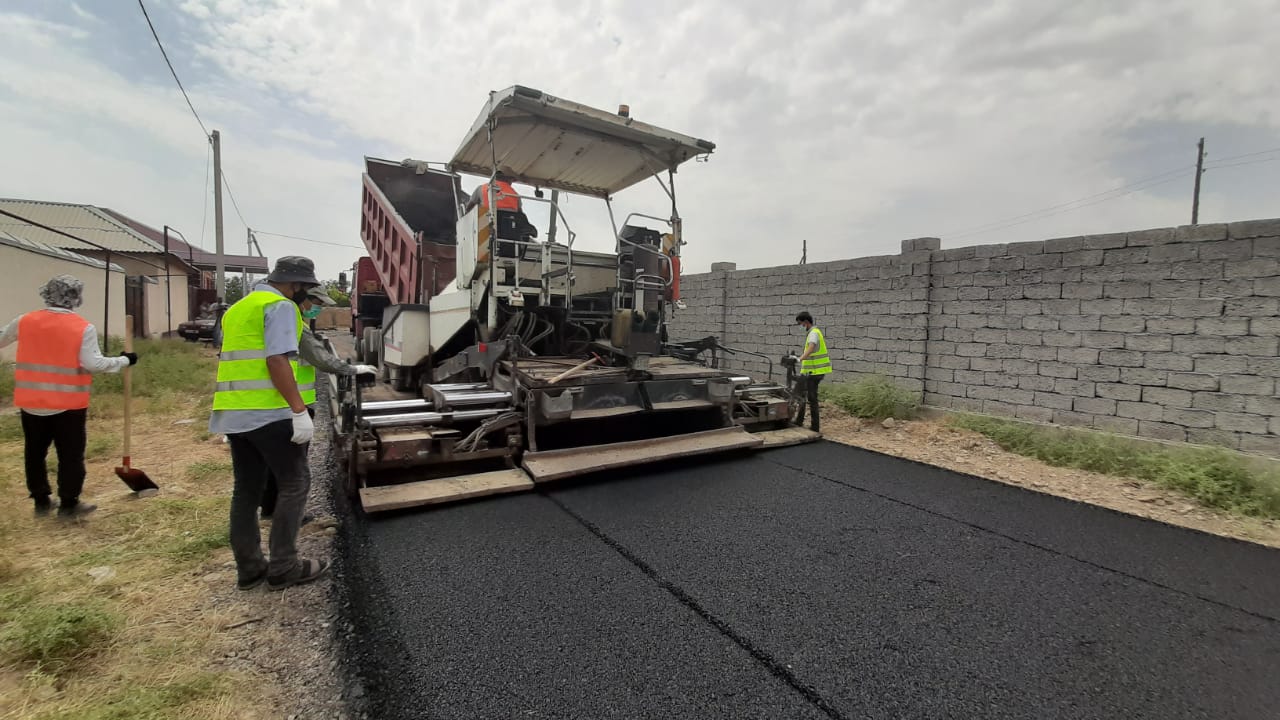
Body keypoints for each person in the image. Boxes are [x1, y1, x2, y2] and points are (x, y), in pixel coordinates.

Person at [210, 256, 329, 592]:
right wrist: (298, 410)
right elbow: (276, 359)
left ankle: (249, 569)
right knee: (294, 483)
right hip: (272, 413)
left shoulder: (239, 308)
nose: (304, 295)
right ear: (296, 285)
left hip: (235, 412)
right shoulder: (280, 307)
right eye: (304, 288)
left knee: (246, 491)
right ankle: (284, 567)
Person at [0, 275, 138, 518]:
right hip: (67, 404)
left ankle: (41, 500)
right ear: (76, 297)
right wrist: (124, 360)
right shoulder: (82, 327)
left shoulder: (25, 321)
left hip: (31, 402)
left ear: (46, 293)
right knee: (70, 455)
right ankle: (68, 504)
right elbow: (93, 364)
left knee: (34, 453)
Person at [259, 286, 376, 520]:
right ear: (302, 299)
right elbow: (321, 358)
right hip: (291, 406)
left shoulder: (272, 318)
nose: (316, 308)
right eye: (314, 302)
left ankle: (270, 508)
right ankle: (288, 519)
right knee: (293, 469)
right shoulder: (292, 323)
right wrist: (352, 369)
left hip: (270, 404)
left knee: (272, 464)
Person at [794, 311, 831, 432]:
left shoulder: (813, 333)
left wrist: (799, 358)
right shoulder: (814, 332)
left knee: (811, 398)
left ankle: (814, 427)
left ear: (806, 322)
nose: (801, 326)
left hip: (814, 372)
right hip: (813, 372)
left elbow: (811, 348)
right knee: (803, 395)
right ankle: (799, 421)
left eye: (801, 324)